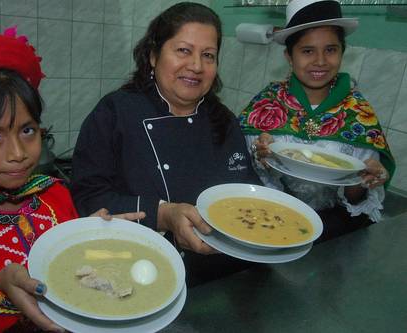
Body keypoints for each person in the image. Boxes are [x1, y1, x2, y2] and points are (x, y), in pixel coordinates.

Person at [0, 25, 144, 333]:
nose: (18, 153)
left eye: (27, 130)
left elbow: (74, 284)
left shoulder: (54, 195)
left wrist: (88, 242)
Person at [71, 2, 261, 286]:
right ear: (153, 55)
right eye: (183, 50)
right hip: (138, 272)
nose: (196, 66)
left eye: (208, 55)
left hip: (226, 277)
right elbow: (87, 197)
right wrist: (162, 215)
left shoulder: (224, 122)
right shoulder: (115, 112)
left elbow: (248, 195)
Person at [239, 0, 395, 242]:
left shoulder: (358, 113)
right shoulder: (266, 105)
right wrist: (260, 160)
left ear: (343, 52)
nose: (320, 61)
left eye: (331, 49)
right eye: (307, 51)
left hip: (332, 233)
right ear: (289, 56)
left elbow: (354, 199)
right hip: (269, 222)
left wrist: (364, 181)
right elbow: (240, 175)